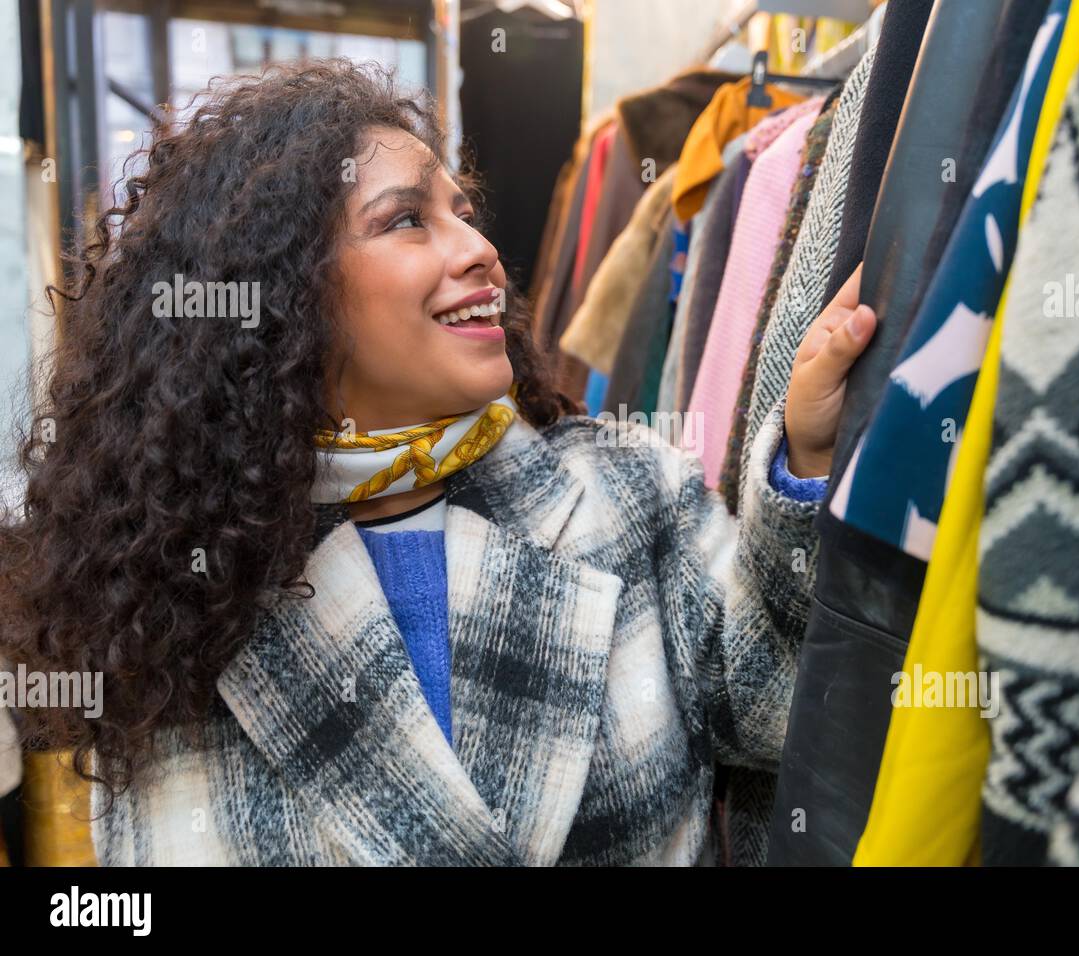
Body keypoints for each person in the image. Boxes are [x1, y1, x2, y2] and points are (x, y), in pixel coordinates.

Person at [0, 59, 876, 865]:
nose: (480, 249)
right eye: (408, 219)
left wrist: (807, 456)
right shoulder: (180, 578)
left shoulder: (628, 491)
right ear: (283, 291)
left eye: (464, 212)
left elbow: (788, 716)